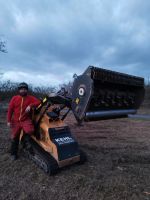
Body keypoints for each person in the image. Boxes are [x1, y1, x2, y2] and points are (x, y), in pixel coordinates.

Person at [7, 82, 41, 160]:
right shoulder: (14, 98)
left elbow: (39, 102)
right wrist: (8, 121)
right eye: (21, 89)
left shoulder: (30, 98)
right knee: (15, 137)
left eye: (25, 89)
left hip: (25, 120)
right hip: (15, 121)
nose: (23, 90)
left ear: (27, 90)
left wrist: (30, 105)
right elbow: (10, 110)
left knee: (30, 130)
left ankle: (24, 141)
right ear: (19, 90)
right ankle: (13, 153)